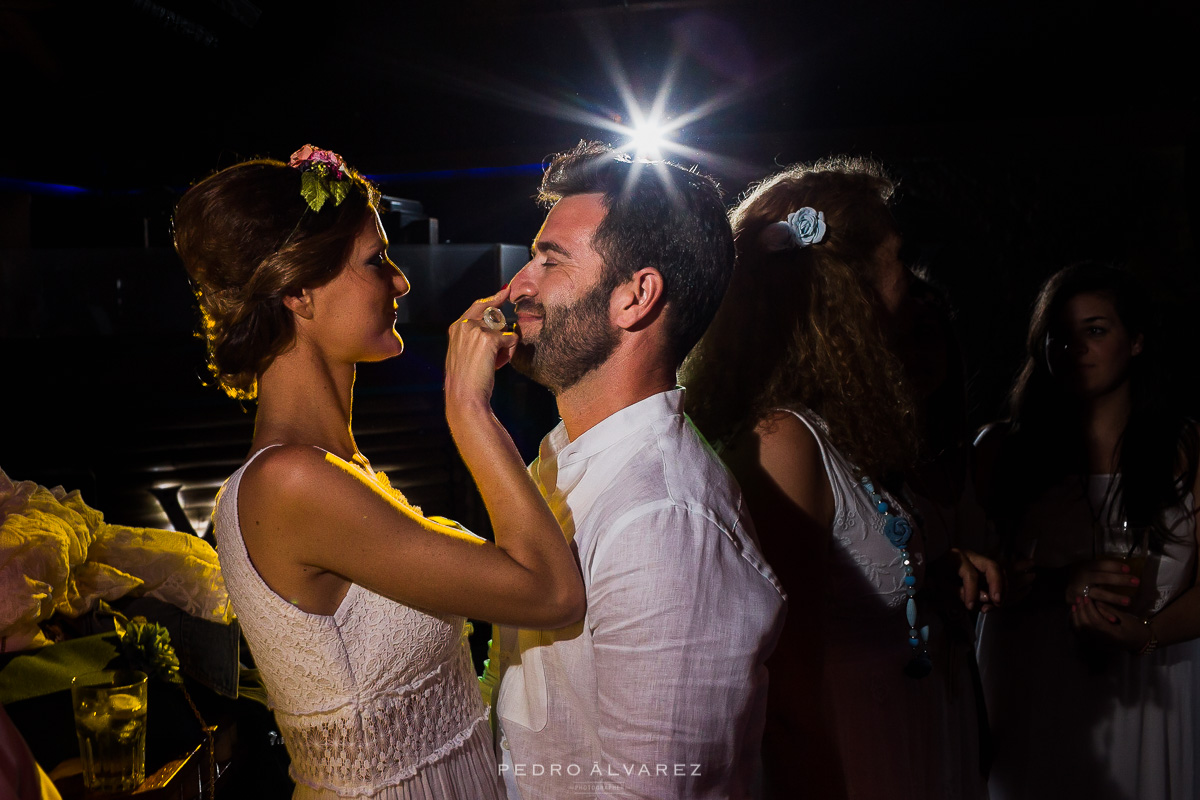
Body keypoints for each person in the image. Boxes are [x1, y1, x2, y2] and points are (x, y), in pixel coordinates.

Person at [172, 144, 586, 800]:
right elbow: (552, 593)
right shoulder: (290, 485)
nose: (401, 281)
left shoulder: (341, 469)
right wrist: (468, 409)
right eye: (376, 261)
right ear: (300, 294)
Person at [681, 156, 998, 800]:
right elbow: (787, 669)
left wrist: (927, 576)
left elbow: (841, 581)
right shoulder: (784, 441)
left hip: (900, 732)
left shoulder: (832, 427)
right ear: (843, 288)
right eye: (897, 257)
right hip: (851, 754)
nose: (909, 280)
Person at [478, 140, 786, 800]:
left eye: (549, 261)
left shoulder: (664, 520)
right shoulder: (564, 458)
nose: (516, 286)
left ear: (636, 296)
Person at [973, 262, 1200, 800]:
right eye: (1060, 334)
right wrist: (1055, 584)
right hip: (1033, 685)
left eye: (1095, 330)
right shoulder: (1001, 452)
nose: (1075, 347)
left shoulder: (1188, 450)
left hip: (1152, 685)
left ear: (1137, 341)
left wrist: (1147, 634)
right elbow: (960, 574)